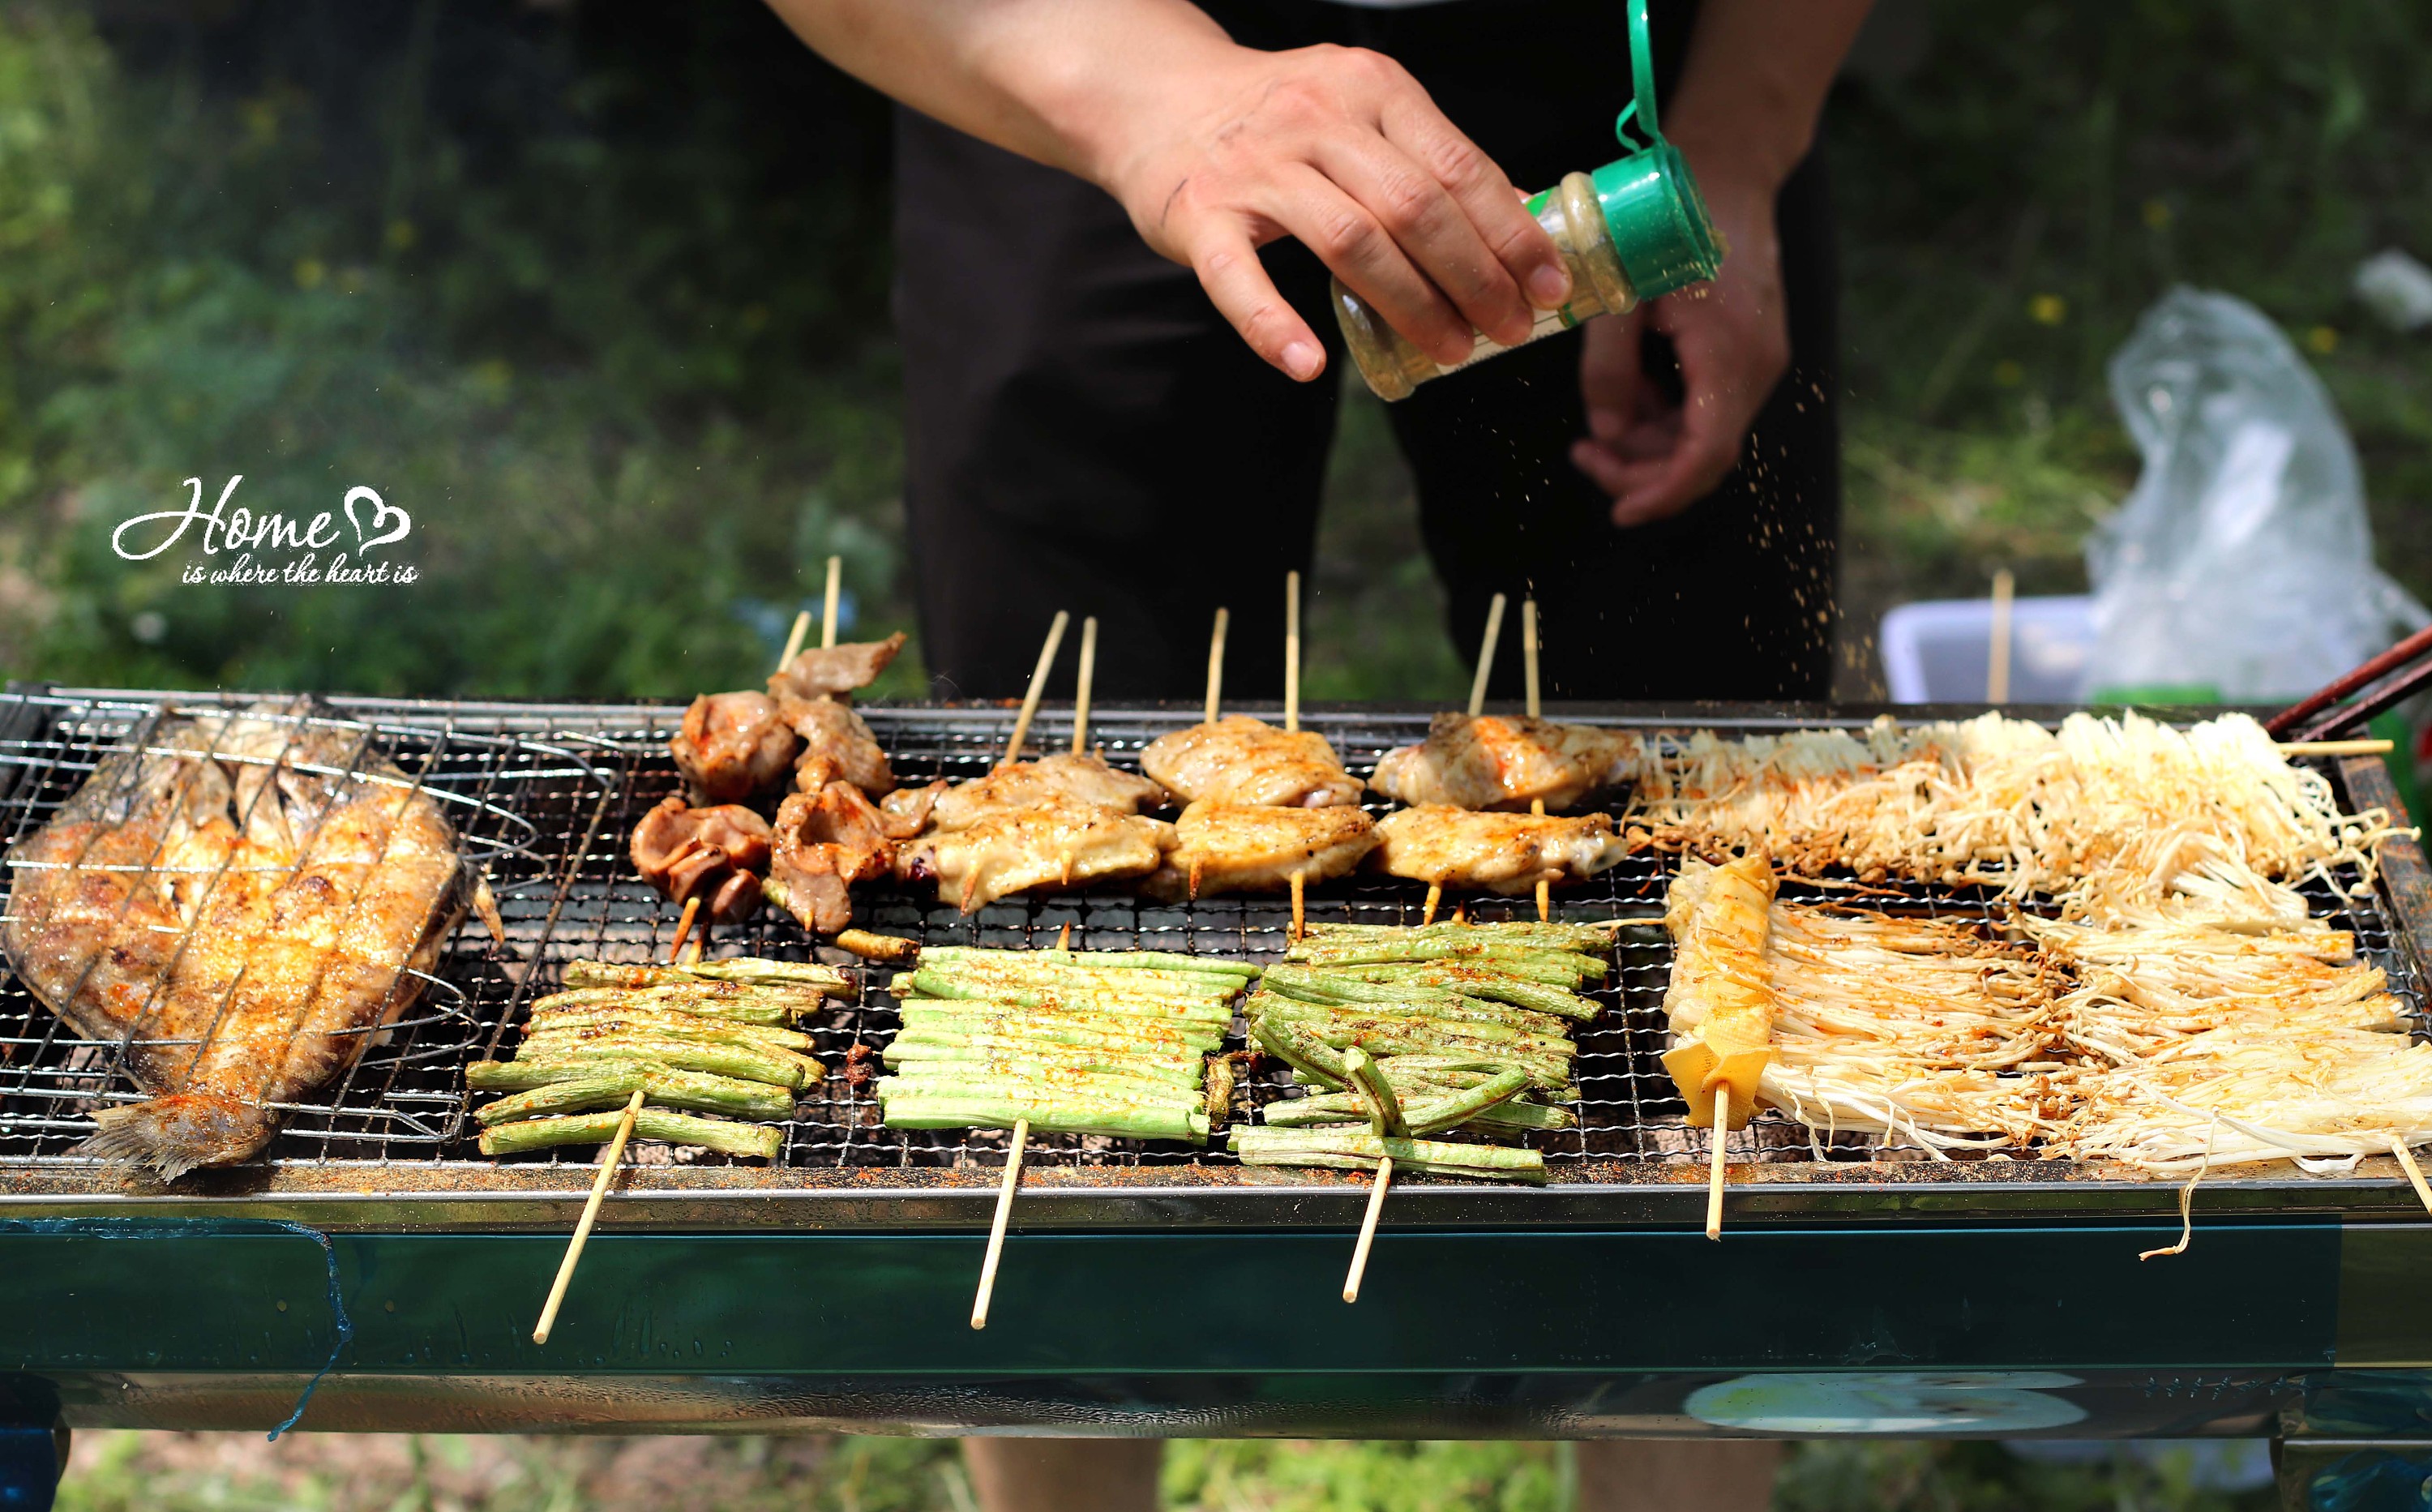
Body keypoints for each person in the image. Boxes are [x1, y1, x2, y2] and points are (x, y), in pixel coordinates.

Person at [764, 1, 1870, 1506]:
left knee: (1713, 796)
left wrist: (1741, 134)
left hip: (1628, 85)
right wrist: (1138, 93)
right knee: (1053, 939)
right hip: (1061, 45)